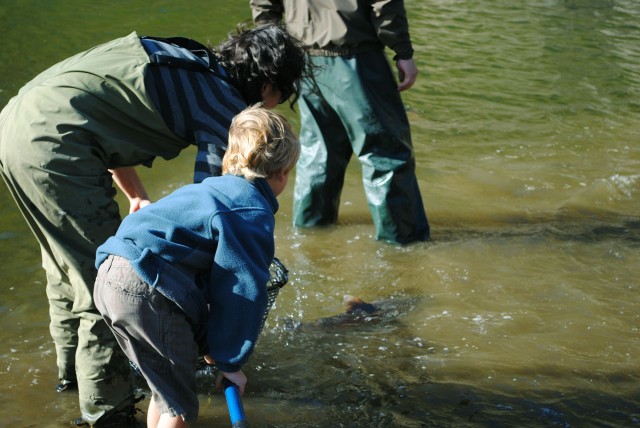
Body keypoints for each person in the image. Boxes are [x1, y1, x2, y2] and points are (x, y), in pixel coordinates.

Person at [0, 24, 306, 426]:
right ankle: (109, 414)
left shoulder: (184, 62)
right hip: (57, 148)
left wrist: (134, 193)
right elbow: (220, 224)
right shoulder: (225, 108)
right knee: (92, 290)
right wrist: (224, 350)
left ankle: (70, 384)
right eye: (279, 97)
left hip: (16, 127)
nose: (273, 106)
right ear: (268, 84)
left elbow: (95, 114)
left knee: (66, 277)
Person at [93, 105, 299, 427]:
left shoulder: (208, 190)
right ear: (283, 171)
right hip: (146, 285)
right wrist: (231, 360)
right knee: (181, 410)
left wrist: (212, 344)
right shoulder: (249, 210)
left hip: (109, 273)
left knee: (165, 393)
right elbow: (241, 289)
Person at [250, 0, 430, 244]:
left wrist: (273, 48)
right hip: (356, 56)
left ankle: (310, 234)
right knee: (385, 153)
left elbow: (263, 4)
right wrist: (403, 50)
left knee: (319, 152)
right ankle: (403, 244)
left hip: (303, 57)